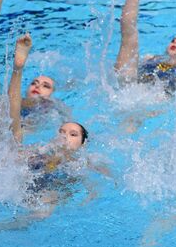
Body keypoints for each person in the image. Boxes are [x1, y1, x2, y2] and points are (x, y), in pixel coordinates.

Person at [7, 33, 105, 224]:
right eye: (61, 131)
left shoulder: (83, 160)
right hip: (28, 180)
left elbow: (98, 181)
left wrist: (91, 197)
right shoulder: (39, 149)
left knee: (41, 214)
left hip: (51, 188)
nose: (64, 136)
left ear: (83, 144)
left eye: (73, 134)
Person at [0, 0, 66, 124]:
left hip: (15, 137)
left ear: (53, 94)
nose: (37, 86)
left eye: (46, 86)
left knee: (14, 128)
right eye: (34, 82)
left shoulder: (54, 108)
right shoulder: (17, 101)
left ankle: (18, 69)